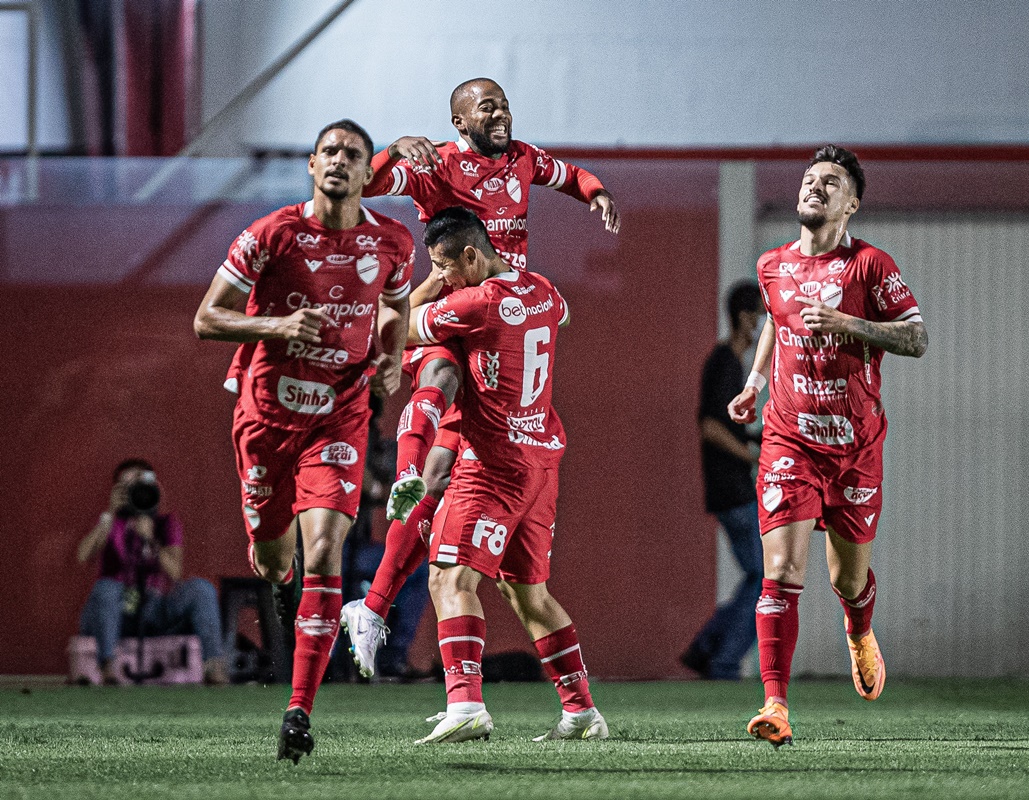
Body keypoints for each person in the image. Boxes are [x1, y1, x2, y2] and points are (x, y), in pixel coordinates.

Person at [340, 77, 621, 680]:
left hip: (507, 319)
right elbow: (367, 182)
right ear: (460, 121)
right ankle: (406, 482)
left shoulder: (521, 159)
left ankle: (374, 602)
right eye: (486, 106)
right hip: (458, 304)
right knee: (438, 376)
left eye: (505, 103)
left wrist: (596, 194)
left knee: (461, 463)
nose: (502, 113)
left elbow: (567, 175)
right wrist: (392, 148)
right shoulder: (433, 162)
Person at [192, 119, 414, 763]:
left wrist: (393, 357)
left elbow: (395, 306)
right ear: (312, 167)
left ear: (368, 170)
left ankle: (299, 711)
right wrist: (278, 324)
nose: (340, 161)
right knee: (271, 561)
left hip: (339, 418)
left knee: (326, 555)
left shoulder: (392, 239)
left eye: (353, 154)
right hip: (265, 416)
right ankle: (284, 580)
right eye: (330, 152)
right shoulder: (272, 234)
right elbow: (207, 318)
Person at [727, 145, 927, 747]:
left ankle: (859, 628)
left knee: (846, 580)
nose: (815, 186)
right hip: (790, 438)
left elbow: (916, 338)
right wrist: (754, 385)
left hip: (855, 447)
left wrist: (849, 325)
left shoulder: (870, 266)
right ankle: (775, 705)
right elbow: (773, 321)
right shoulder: (771, 265)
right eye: (810, 179)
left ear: (851, 203)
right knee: (781, 572)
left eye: (831, 181)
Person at [404, 206, 607, 744]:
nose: (443, 277)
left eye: (445, 266)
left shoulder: (476, 303)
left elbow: (393, 325)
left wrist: (428, 288)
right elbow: (560, 316)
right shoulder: (540, 286)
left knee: (449, 576)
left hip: (493, 463)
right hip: (541, 456)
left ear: (472, 255)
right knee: (528, 593)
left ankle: (465, 704)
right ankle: (581, 710)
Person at [77, 458, 228, 685]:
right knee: (107, 587)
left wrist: (150, 538)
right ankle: (107, 667)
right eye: (126, 486)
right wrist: (109, 514)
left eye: (138, 484)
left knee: (200, 587)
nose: (133, 492)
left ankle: (214, 666)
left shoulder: (166, 522)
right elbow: (82, 556)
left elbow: (175, 573)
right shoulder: (110, 521)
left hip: (153, 606)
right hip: (115, 609)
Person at [680, 282, 765, 680]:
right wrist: (749, 454)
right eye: (759, 316)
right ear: (745, 318)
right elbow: (711, 426)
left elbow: (724, 424)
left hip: (727, 488)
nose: (762, 325)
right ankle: (723, 659)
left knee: (756, 575)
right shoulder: (726, 364)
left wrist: (756, 438)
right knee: (764, 579)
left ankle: (707, 646)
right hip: (732, 488)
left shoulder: (726, 363)